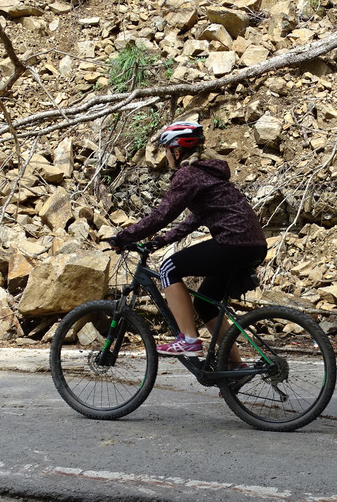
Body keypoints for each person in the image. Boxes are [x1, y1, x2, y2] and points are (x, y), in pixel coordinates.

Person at [110, 121, 268, 358]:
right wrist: (162, 241)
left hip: (233, 242)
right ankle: (235, 368)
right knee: (206, 304)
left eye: (166, 151)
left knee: (168, 269)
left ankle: (189, 341)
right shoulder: (207, 173)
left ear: (176, 151)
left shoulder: (188, 174)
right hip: (252, 245)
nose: (166, 157)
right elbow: (195, 218)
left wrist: (123, 236)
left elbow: (162, 214)